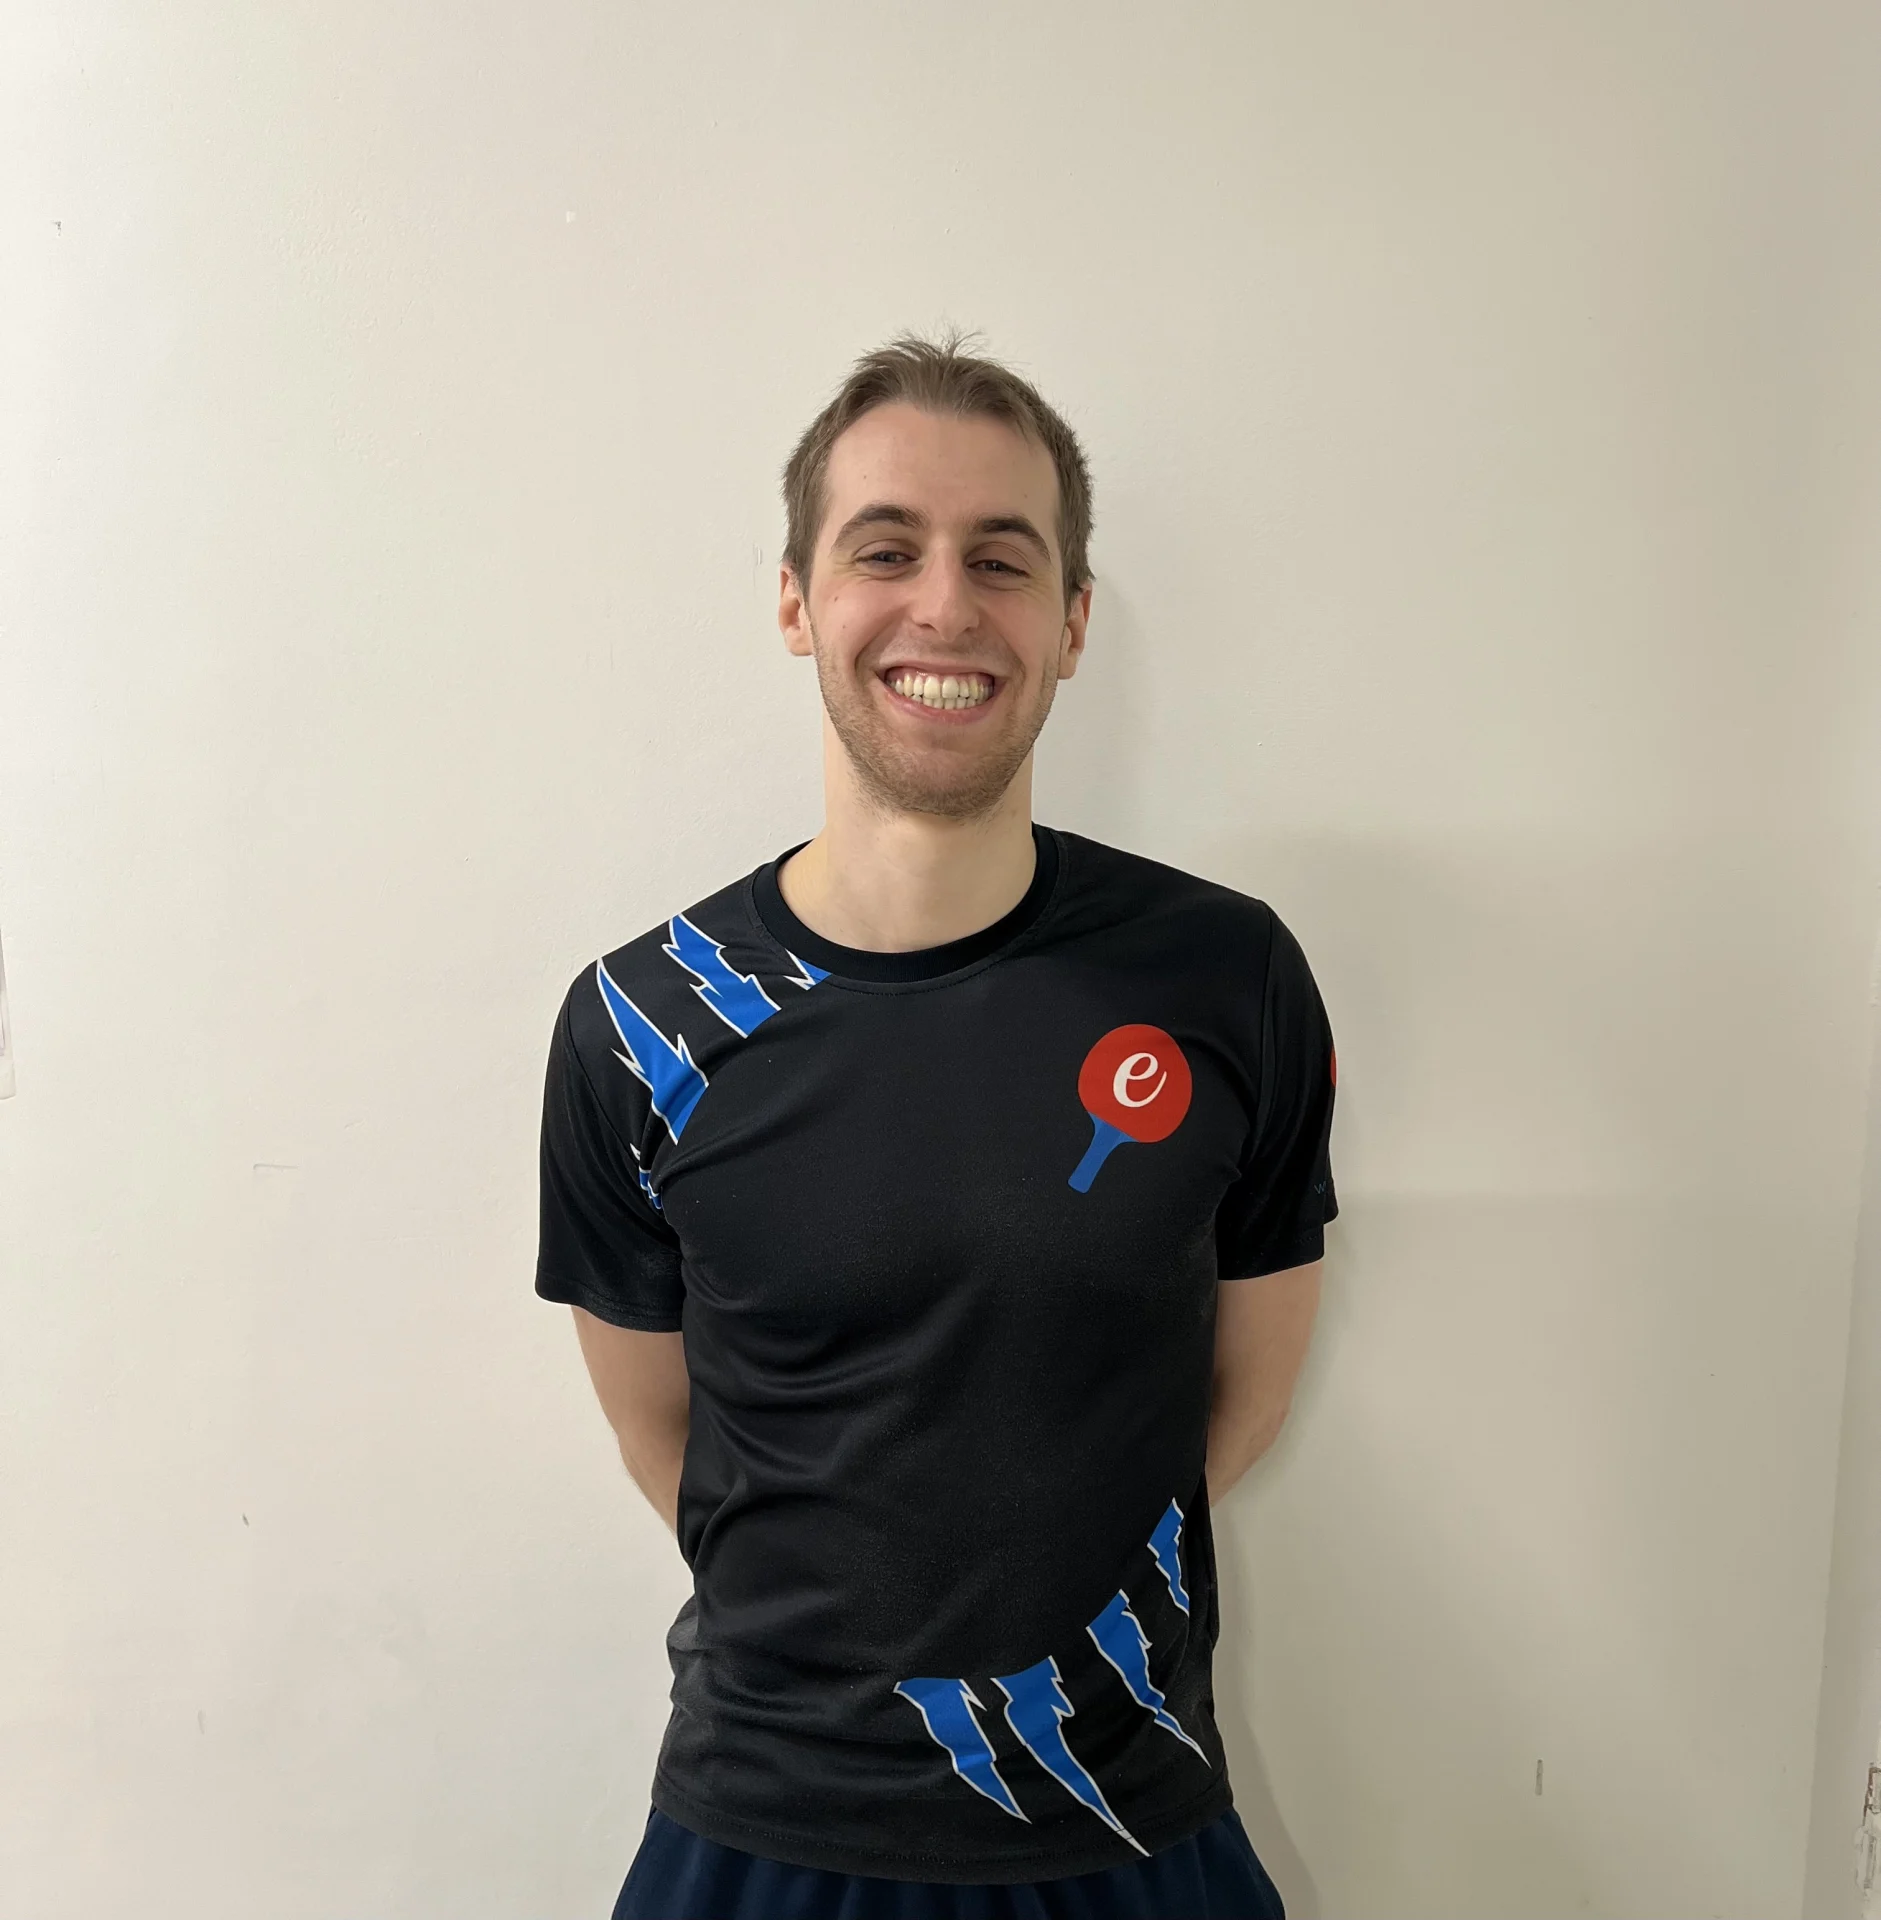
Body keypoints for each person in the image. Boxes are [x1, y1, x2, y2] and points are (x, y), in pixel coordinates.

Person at [535, 332, 1338, 1919]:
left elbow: (1243, 1385)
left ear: (1073, 622)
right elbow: (663, 1432)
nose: (944, 605)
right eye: (884, 549)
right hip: (756, 1839)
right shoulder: (637, 1022)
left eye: (1003, 559)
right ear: (794, 602)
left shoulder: (1226, 978)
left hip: (1129, 1833)